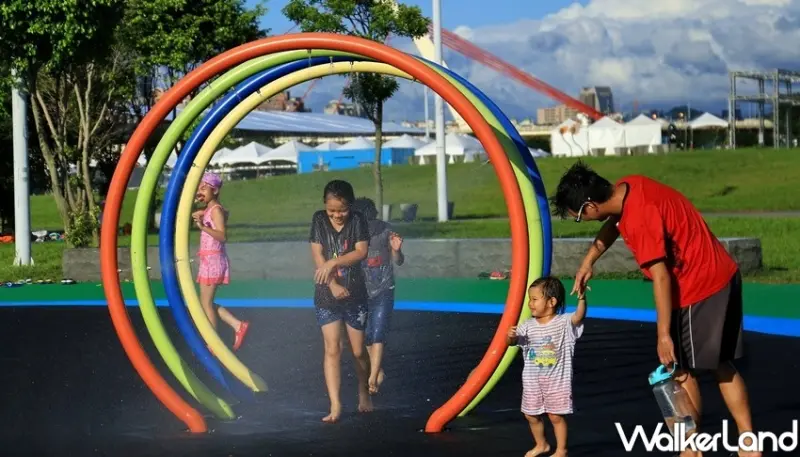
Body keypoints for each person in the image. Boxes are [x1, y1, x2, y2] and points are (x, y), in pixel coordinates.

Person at [549, 161, 760, 457]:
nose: (581, 222)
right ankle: (748, 443)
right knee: (720, 365)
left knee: (679, 371)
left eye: (578, 217)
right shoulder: (629, 186)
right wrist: (589, 260)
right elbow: (614, 225)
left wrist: (663, 335)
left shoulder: (639, 218)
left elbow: (661, 276)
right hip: (720, 272)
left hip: (698, 287)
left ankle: (690, 449)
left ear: (590, 206)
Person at [309, 180, 372, 423]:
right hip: (327, 294)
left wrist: (334, 263)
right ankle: (335, 404)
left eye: (341, 210)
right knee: (332, 348)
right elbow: (317, 254)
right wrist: (332, 284)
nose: (336, 215)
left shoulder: (357, 220)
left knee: (357, 351)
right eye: (331, 210)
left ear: (351, 206)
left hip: (355, 293)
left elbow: (361, 252)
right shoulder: (318, 220)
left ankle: (363, 390)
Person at [507, 276, 586, 457]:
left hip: (557, 381)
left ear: (551, 301)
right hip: (532, 381)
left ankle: (561, 450)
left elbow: (579, 316)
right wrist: (510, 336)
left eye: (535, 299)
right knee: (530, 415)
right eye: (530, 299)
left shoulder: (563, 323)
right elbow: (512, 343)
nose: (530, 303)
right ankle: (541, 444)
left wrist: (581, 298)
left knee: (555, 416)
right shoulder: (527, 325)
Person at [351, 197, 405, 395]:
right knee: (366, 335)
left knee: (379, 332)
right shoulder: (353, 234)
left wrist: (397, 250)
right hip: (361, 290)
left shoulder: (385, 231)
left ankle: (373, 376)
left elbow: (398, 261)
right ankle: (377, 369)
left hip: (383, 288)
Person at [192, 172, 250, 351]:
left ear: (215, 190)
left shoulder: (215, 210)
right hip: (208, 259)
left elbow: (222, 235)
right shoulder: (212, 209)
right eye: (199, 188)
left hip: (213, 259)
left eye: (204, 188)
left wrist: (202, 227)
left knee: (206, 304)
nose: (200, 191)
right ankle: (237, 325)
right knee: (204, 303)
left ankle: (214, 342)